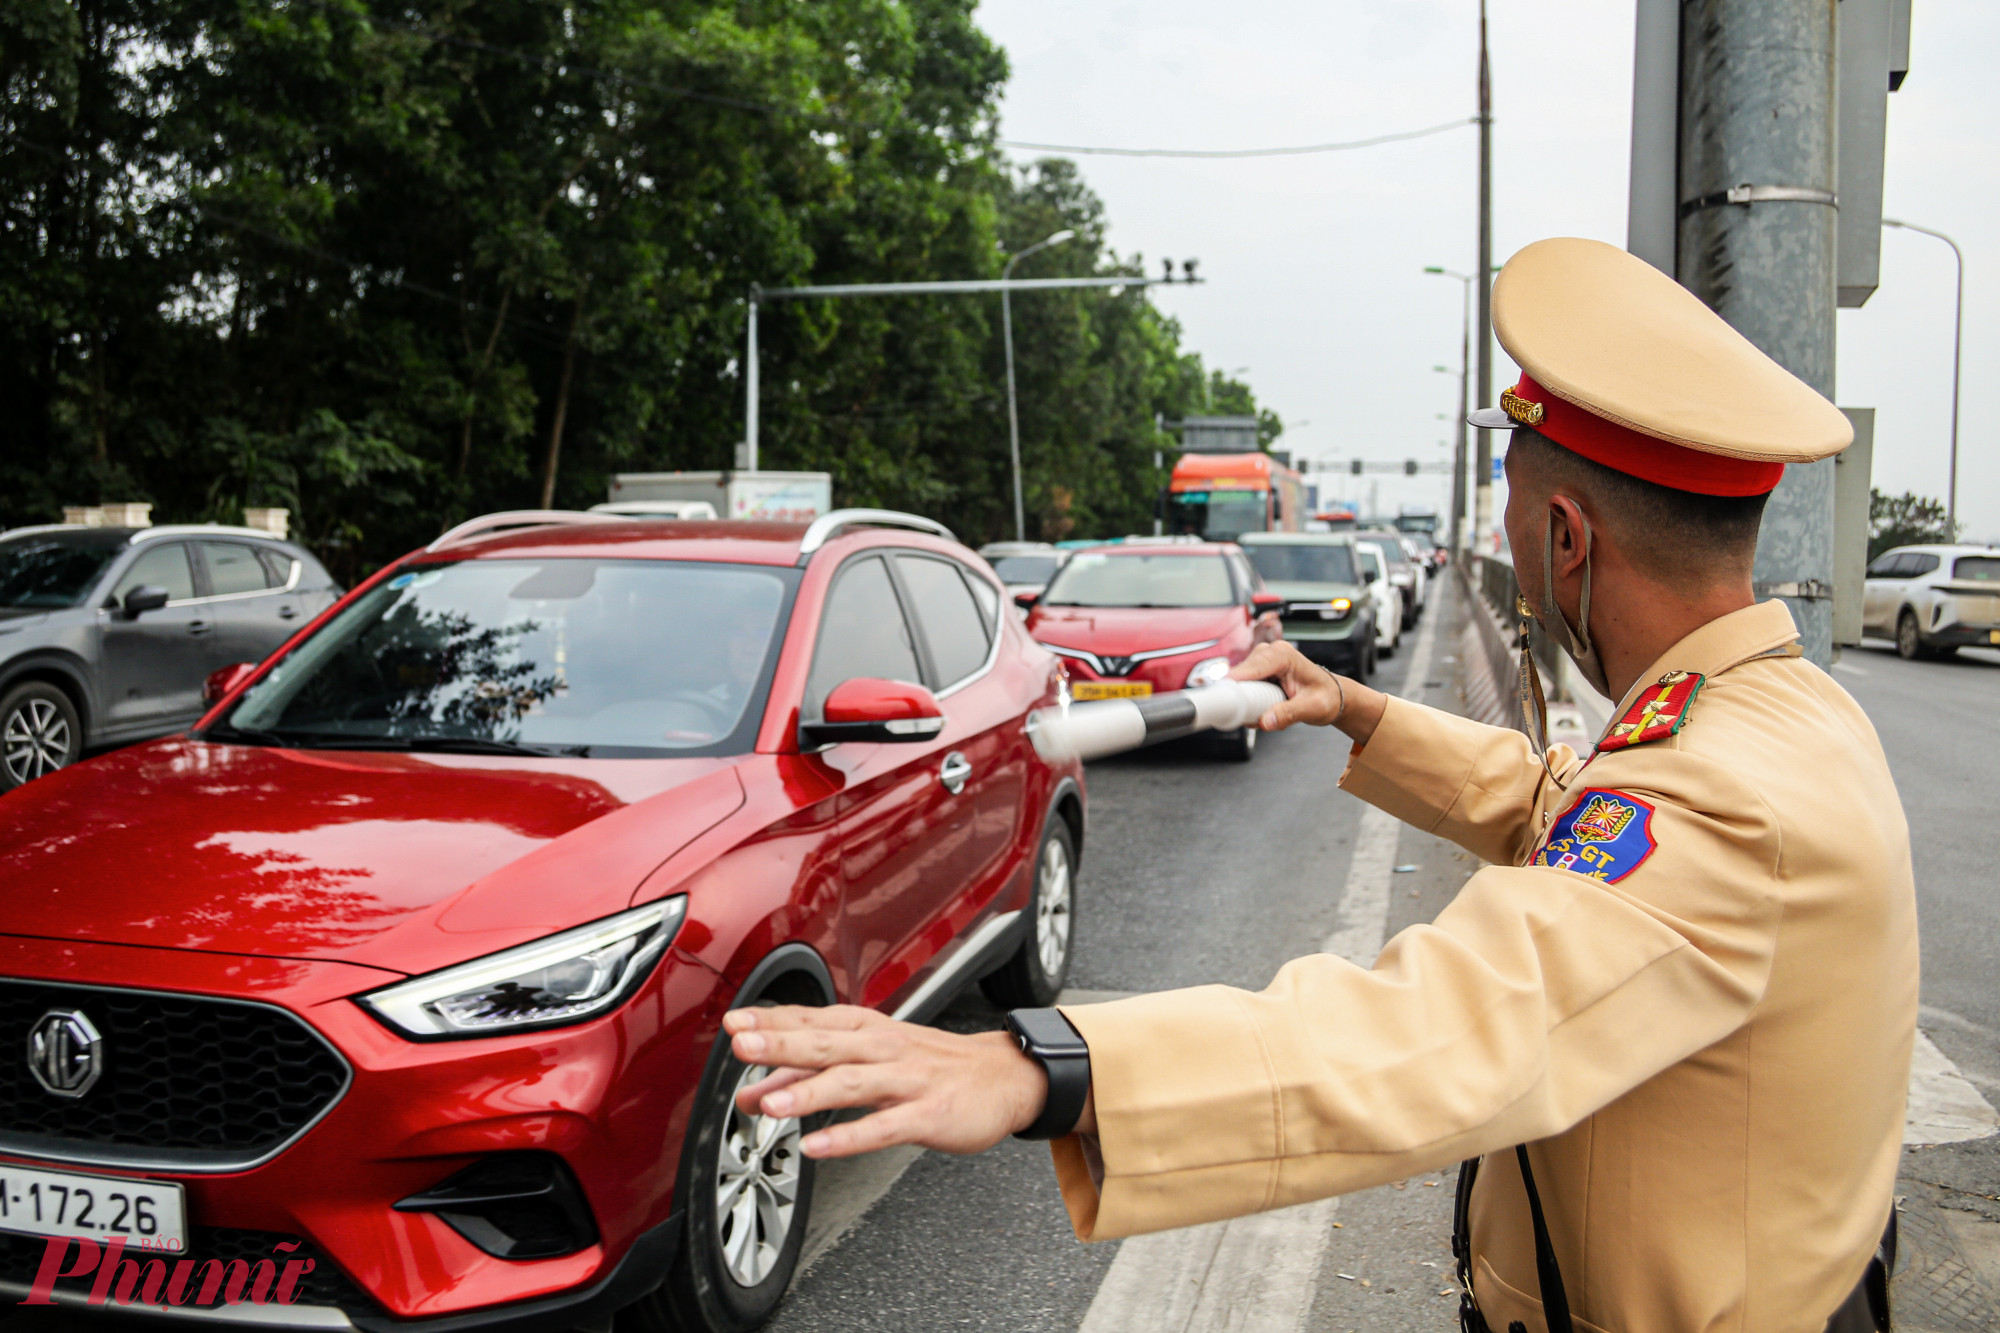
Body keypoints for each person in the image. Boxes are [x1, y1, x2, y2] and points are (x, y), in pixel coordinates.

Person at [719, 238, 1917, 1333]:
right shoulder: (1772, 714)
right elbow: (1571, 808)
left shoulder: (1723, 798)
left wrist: (1037, 1067)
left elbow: (1443, 1024)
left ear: (1565, 539)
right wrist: (1358, 709)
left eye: (1508, 514)